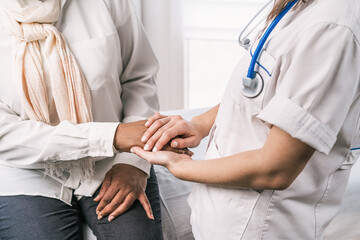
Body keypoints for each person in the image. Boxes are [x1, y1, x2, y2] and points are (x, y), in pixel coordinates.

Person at [131, 0, 360, 239]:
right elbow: (262, 93)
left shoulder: (333, 28)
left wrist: (182, 166)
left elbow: (275, 169)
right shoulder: (300, 6)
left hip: (256, 227)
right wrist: (199, 125)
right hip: (219, 216)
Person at [0, 0, 190, 239]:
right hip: (26, 170)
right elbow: (5, 135)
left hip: (113, 159)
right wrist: (113, 136)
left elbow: (139, 77)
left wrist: (133, 161)